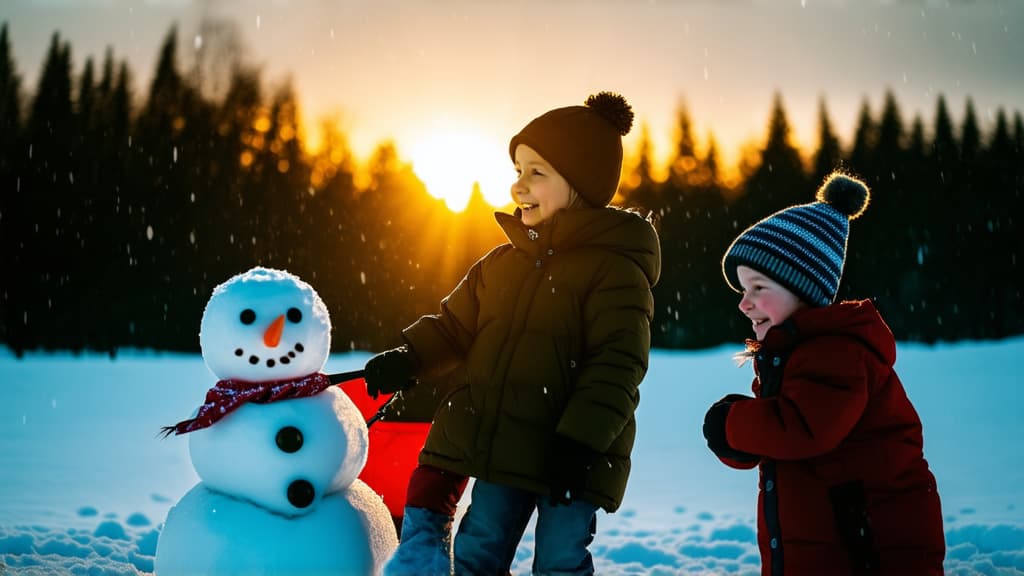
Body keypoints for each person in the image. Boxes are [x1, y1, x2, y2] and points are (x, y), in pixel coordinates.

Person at [363, 91, 661, 576]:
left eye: (536, 173)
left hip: (573, 458)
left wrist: (581, 442)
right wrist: (410, 356)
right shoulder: (501, 263)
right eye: (518, 171)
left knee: (560, 560)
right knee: (479, 550)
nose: (519, 186)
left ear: (581, 184)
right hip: (504, 445)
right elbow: (455, 326)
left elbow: (617, 367)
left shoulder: (615, 272)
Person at [702, 171, 945, 575]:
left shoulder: (837, 353)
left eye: (758, 288)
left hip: (871, 551)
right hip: (826, 546)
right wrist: (739, 442)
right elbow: (784, 438)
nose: (745, 304)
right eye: (743, 291)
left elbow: (802, 429)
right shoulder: (793, 354)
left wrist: (733, 424)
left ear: (804, 289)